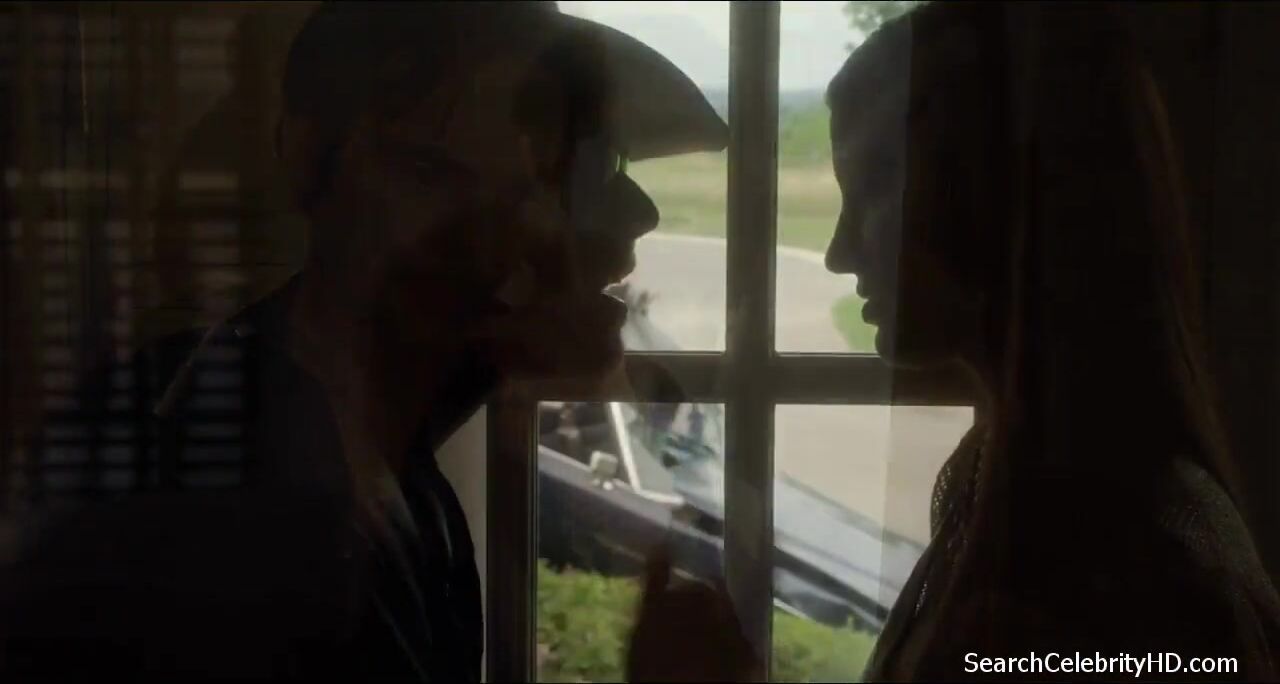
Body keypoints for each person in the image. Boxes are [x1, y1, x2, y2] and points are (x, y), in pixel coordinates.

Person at [0, 2, 726, 680]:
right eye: (446, 174)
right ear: (314, 162)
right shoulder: (227, 513)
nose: (635, 214)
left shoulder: (388, 477)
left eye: (585, 167)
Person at [821, 1, 1280, 679]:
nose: (838, 252)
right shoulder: (1004, 485)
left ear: (992, 188)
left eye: (874, 187)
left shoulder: (1140, 573)